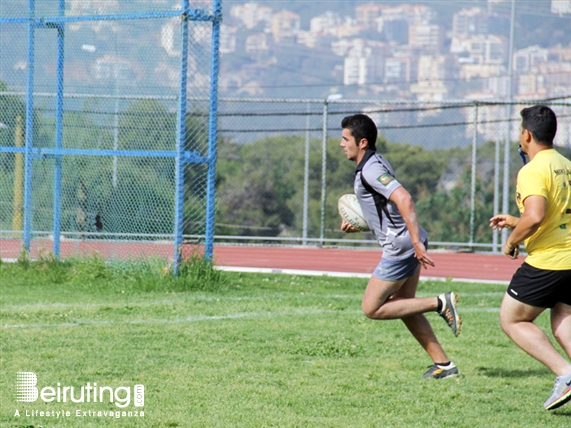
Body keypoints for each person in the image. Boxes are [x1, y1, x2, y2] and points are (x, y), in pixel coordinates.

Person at [339, 114, 461, 379]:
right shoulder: (375, 162)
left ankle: (439, 303)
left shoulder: (370, 170)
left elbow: (404, 199)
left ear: (361, 142)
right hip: (407, 240)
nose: (341, 144)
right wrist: (359, 219)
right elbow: (382, 203)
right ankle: (444, 365)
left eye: (345, 139)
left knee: (371, 308)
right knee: (404, 305)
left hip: (401, 246)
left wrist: (416, 242)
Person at [489, 105, 571, 411]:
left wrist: (513, 240)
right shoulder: (566, 164)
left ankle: (565, 374)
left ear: (526, 134)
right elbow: (556, 213)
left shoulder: (532, 169)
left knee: (512, 319)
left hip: (548, 262)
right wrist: (515, 220)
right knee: (564, 316)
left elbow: (535, 216)